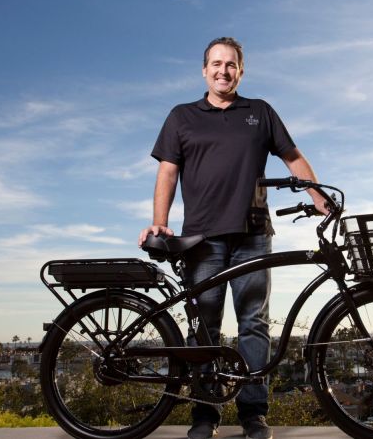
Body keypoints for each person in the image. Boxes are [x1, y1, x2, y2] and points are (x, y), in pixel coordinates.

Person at [138, 37, 327, 439]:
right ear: (204, 70)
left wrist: (318, 194)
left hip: (253, 234)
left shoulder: (260, 112)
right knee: (204, 328)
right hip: (201, 239)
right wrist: (159, 222)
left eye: (231, 65)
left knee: (253, 324)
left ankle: (253, 413)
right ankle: (205, 414)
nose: (223, 71)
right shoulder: (181, 116)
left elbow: (292, 157)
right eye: (216, 64)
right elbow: (167, 172)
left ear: (241, 71)